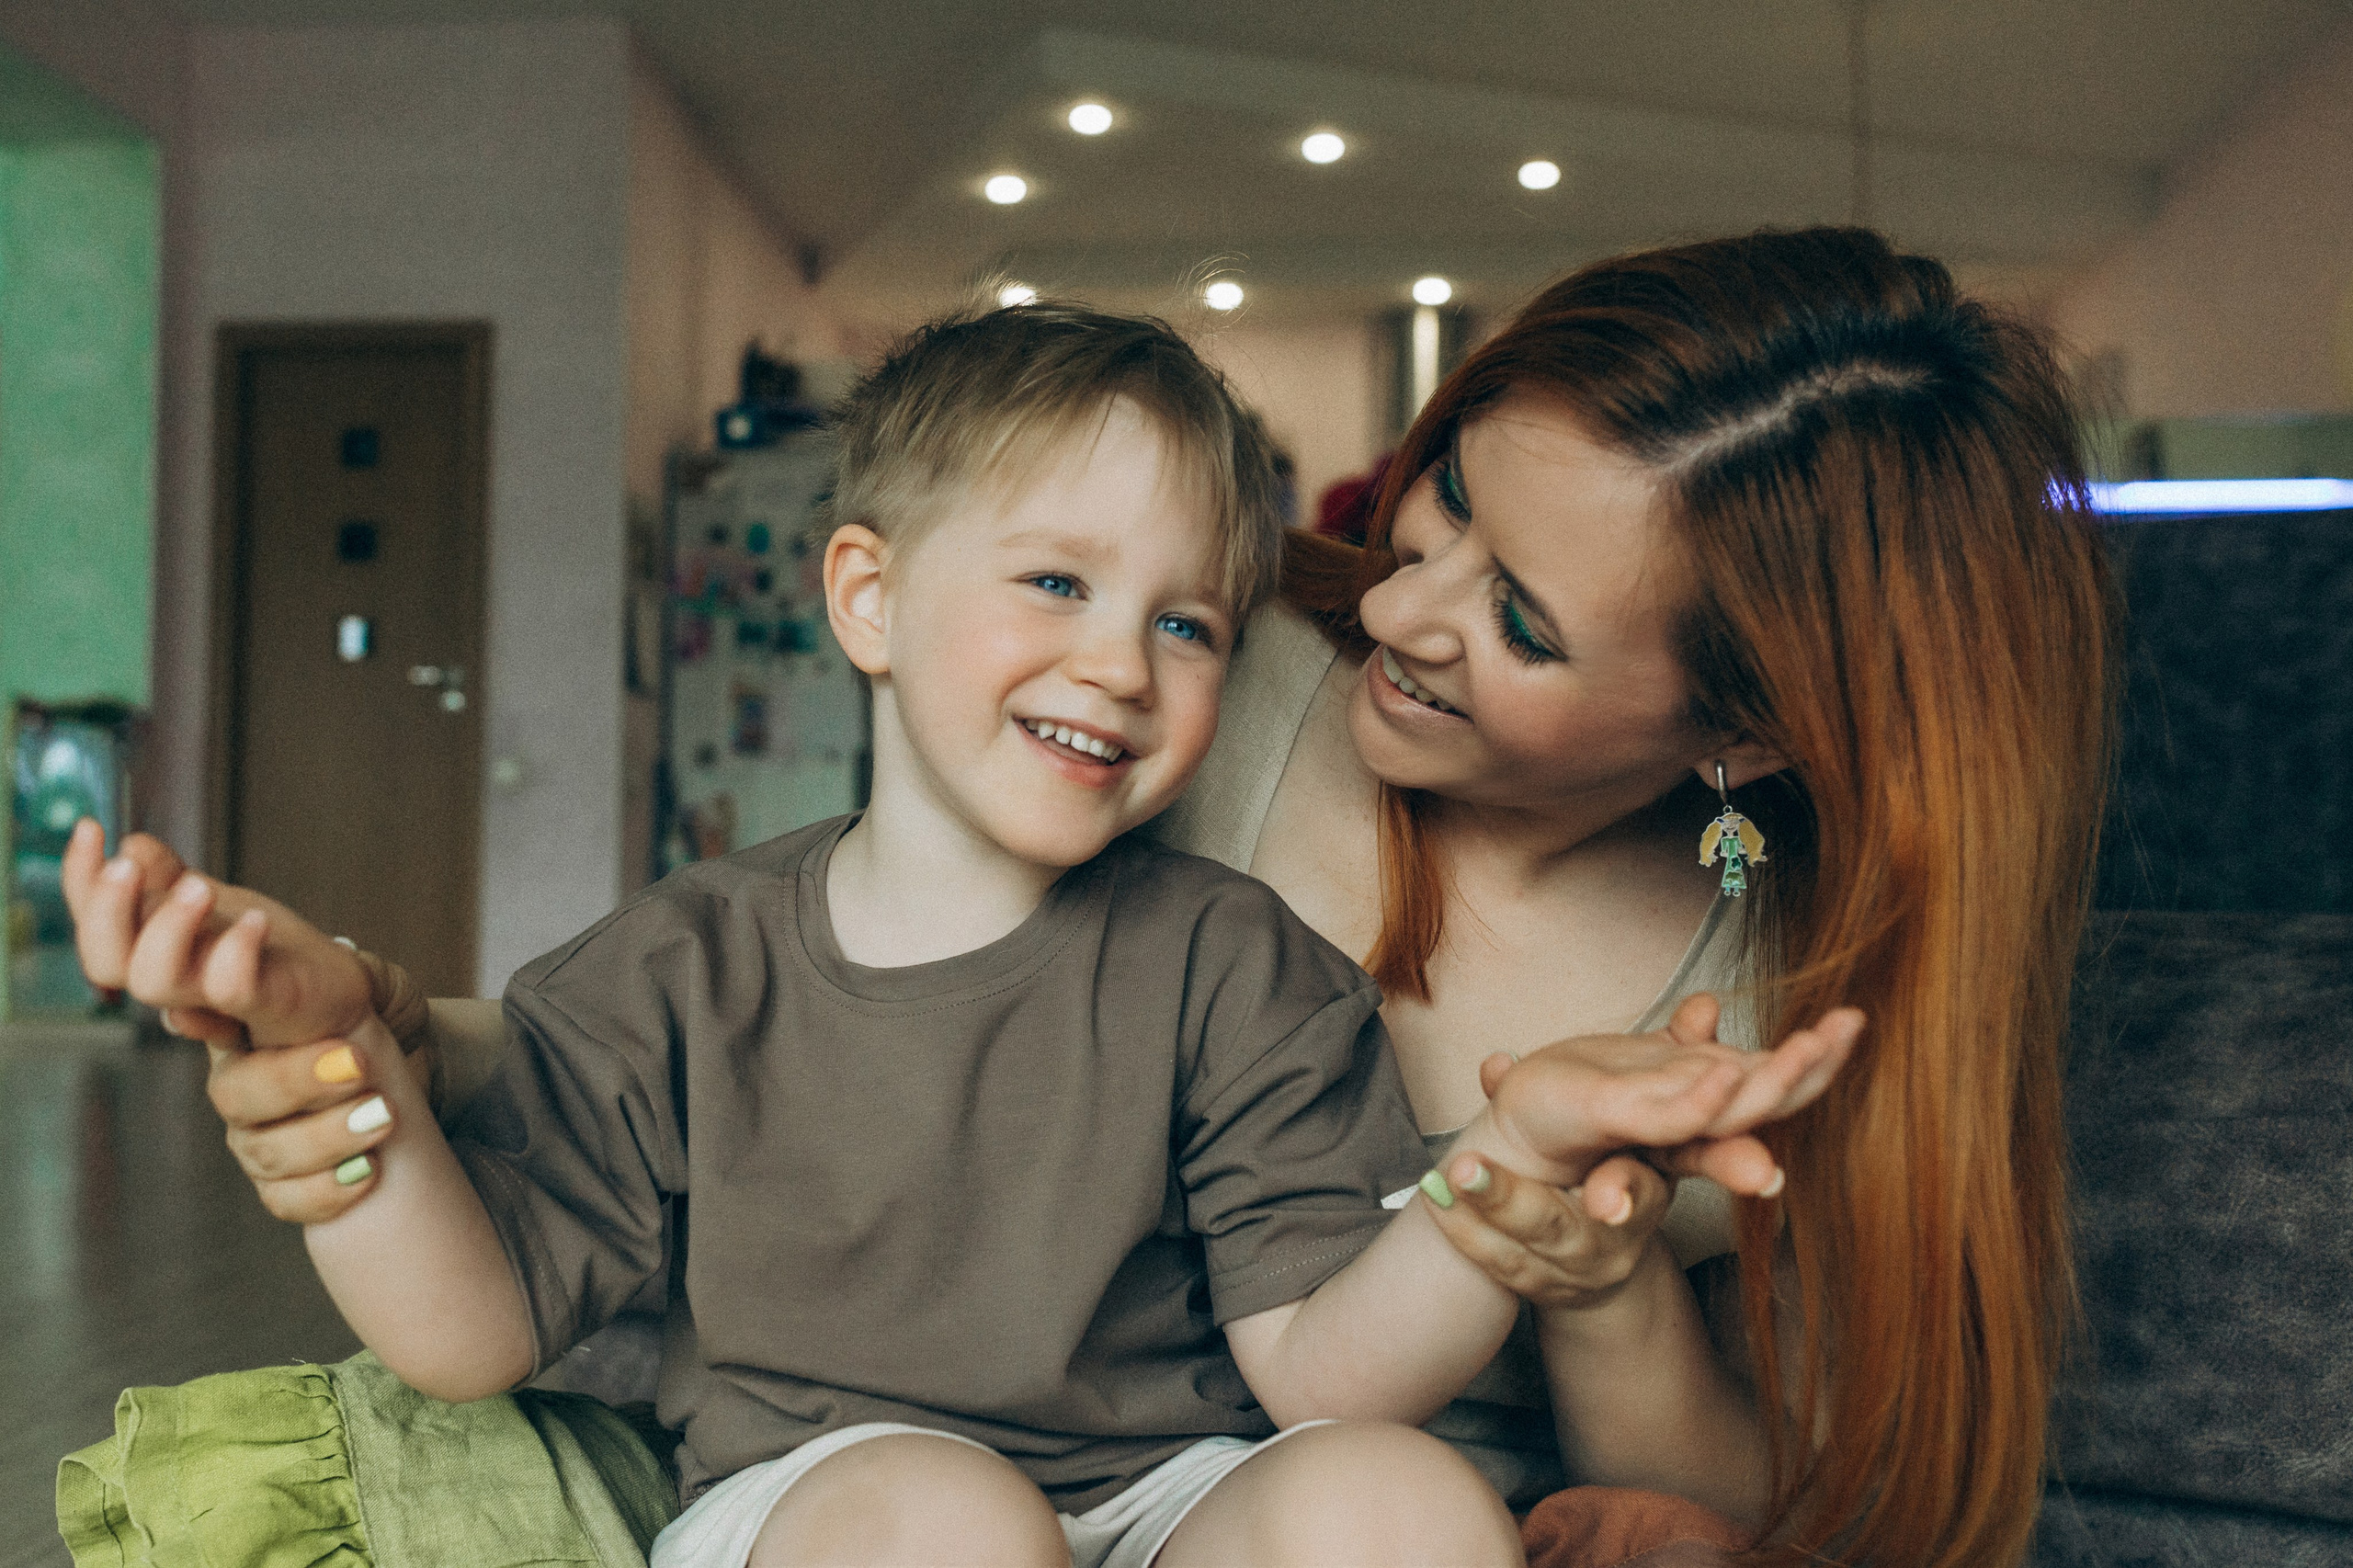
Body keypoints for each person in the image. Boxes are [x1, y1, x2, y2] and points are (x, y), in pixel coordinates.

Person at [86, 225, 2109, 1566]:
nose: (1395, 609)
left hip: (1187, 1485)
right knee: (942, 1520)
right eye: (1436, 506)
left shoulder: (1280, 964)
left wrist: (1541, 1213)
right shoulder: (722, 937)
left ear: (1742, 730)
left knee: (1399, 1503)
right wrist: (353, 1062)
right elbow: (508, 1240)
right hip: (848, 1500)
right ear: (864, 597)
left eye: (1513, 615)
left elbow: (1343, 1376)